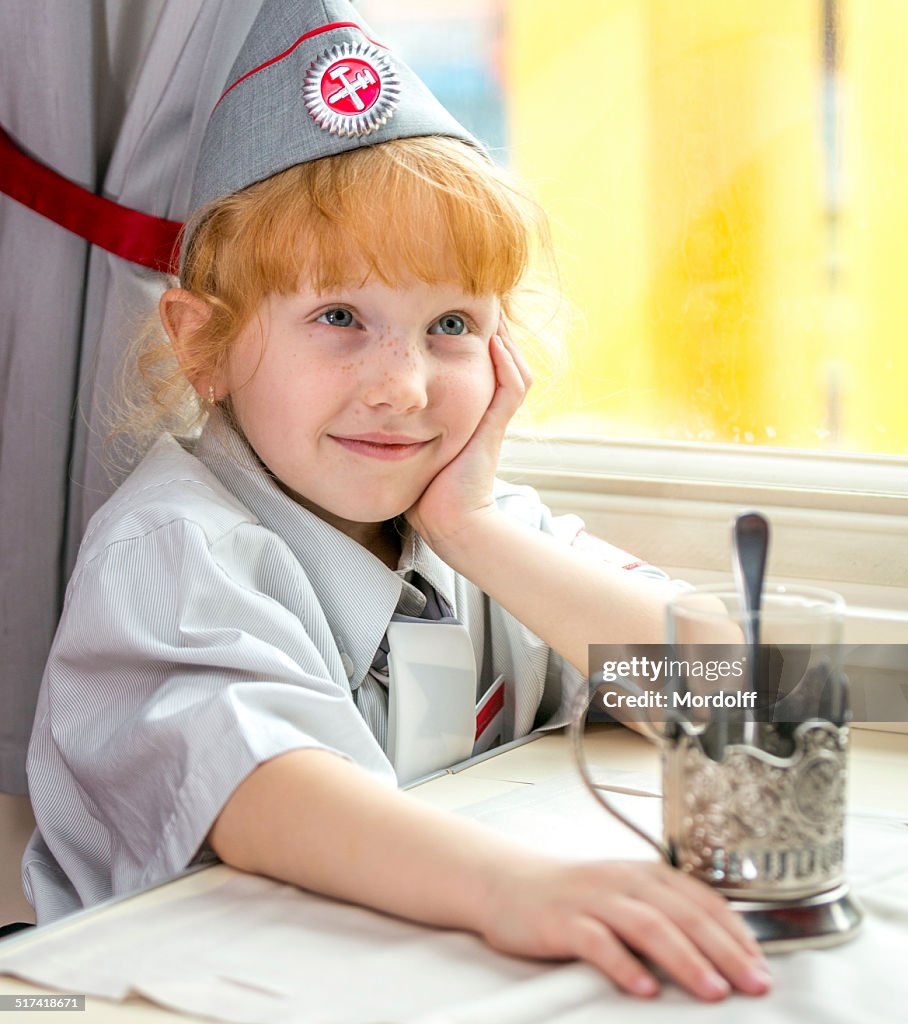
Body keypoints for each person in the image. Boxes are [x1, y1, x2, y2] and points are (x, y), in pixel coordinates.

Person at [22, 0, 772, 1003]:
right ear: (202, 343)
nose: (402, 386)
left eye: (451, 324)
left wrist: (474, 529)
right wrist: (513, 889)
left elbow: (723, 692)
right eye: (339, 316)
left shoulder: (479, 529)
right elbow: (261, 787)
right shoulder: (174, 547)